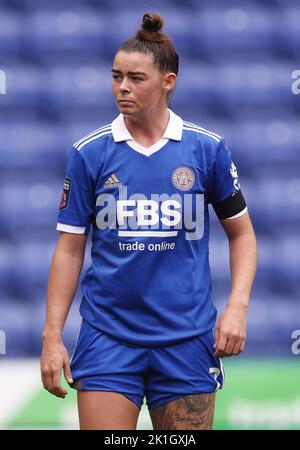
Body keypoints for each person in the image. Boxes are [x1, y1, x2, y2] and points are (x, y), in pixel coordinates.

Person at [40, 12, 257, 430]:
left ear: (168, 82)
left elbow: (243, 236)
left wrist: (237, 307)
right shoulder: (89, 153)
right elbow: (69, 249)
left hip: (187, 339)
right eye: (116, 75)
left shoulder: (207, 149)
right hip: (108, 337)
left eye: (136, 78)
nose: (122, 86)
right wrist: (52, 337)